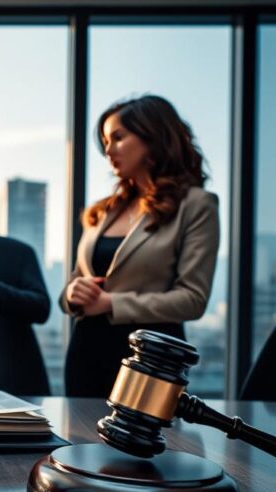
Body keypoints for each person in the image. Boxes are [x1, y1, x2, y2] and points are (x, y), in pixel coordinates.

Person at [61, 95, 219, 397]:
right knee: (78, 442)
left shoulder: (197, 205)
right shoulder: (102, 212)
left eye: (118, 138)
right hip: (85, 353)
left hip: (150, 361)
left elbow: (192, 299)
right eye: (105, 141)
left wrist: (111, 303)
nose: (108, 150)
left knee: (137, 443)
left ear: (152, 137)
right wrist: (72, 292)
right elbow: (72, 286)